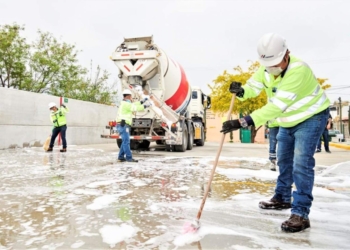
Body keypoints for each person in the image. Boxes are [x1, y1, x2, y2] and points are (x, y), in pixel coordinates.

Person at [220, 33, 330, 233]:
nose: (272, 69)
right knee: (283, 160)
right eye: (268, 65)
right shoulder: (266, 68)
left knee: (301, 163)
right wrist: (242, 91)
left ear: (287, 54)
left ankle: (301, 213)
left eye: (276, 63)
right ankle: (282, 198)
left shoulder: (298, 70)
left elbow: (276, 106)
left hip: (311, 116)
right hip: (288, 120)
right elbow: (254, 86)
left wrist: (242, 122)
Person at [116, 89, 149, 162]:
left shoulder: (125, 103)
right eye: (131, 96)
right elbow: (135, 108)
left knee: (124, 141)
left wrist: (141, 102)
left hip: (123, 125)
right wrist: (145, 106)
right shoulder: (126, 104)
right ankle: (129, 158)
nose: (131, 98)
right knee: (126, 142)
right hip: (124, 125)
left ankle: (121, 157)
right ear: (128, 96)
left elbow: (134, 104)